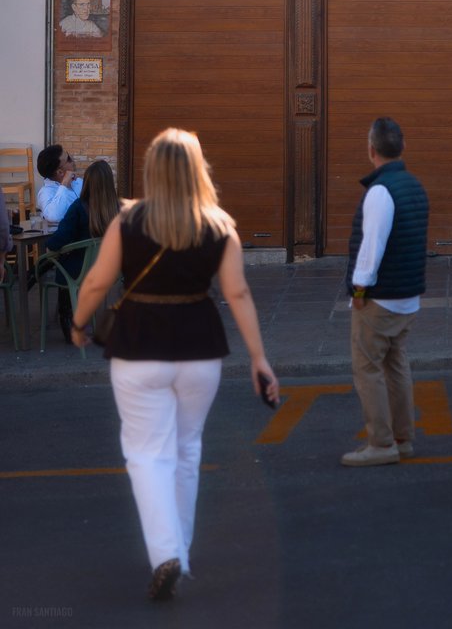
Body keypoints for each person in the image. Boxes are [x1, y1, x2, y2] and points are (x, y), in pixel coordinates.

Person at [69, 128, 279, 601]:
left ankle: (166, 553)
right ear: (196, 168)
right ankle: (178, 553)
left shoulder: (129, 220)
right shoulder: (220, 224)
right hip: (200, 348)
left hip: (138, 345)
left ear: (151, 170)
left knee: (146, 453)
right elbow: (238, 293)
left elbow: (98, 283)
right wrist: (259, 358)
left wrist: (79, 323)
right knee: (186, 450)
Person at [342, 117, 429, 467]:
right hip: (408, 297)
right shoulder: (414, 185)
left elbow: (371, 247)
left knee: (368, 369)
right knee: (396, 366)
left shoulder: (380, 191)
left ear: (371, 150)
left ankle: (381, 444)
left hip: (381, 297)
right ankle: (403, 439)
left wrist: (359, 290)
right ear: (402, 147)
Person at [46, 159, 119, 341]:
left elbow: (58, 241)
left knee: (55, 261)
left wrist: (49, 247)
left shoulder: (78, 208)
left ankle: (69, 319)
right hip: (108, 270)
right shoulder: (117, 209)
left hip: (78, 271)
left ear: (86, 183)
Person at [36, 145, 83, 225]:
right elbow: (54, 217)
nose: (72, 159)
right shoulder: (45, 192)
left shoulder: (78, 182)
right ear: (60, 172)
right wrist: (64, 185)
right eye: (68, 159)